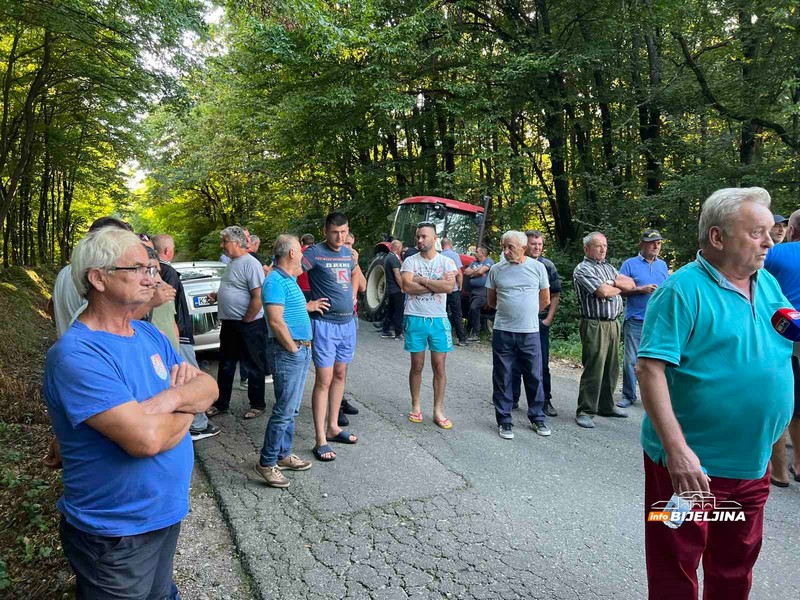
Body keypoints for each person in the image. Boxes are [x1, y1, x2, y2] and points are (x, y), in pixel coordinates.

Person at [44, 226, 218, 599]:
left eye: (152, 268)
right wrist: (187, 401)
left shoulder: (147, 334)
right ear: (98, 279)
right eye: (137, 269)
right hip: (114, 533)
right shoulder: (77, 354)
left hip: (162, 514)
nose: (150, 278)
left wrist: (169, 401)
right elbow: (146, 439)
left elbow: (209, 388)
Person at [636, 187, 792, 599]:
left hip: (751, 463)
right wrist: (678, 453)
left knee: (735, 565)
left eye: (771, 230)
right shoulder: (681, 291)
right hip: (690, 470)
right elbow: (649, 369)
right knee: (676, 564)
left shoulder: (769, 284)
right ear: (718, 238)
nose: (770, 241)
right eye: (757, 232)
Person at [255, 235, 328, 487]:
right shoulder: (275, 281)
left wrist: (308, 306)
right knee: (284, 410)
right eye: (299, 250)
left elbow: (289, 310)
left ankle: (283, 455)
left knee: (291, 408)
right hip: (289, 352)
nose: (303, 253)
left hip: (297, 349)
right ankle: (266, 462)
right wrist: (293, 349)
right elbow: (275, 321)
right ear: (292, 254)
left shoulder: (287, 279)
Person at [302, 213, 362, 461]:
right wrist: (307, 304)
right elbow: (284, 272)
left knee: (340, 375)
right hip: (324, 325)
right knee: (324, 380)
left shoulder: (349, 254)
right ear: (325, 231)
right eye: (336, 232)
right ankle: (320, 439)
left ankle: (333, 427)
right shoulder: (314, 253)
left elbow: (356, 273)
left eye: (344, 232)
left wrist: (354, 293)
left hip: (347, 324)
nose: (340, 237)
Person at [153, 234, 221, 441]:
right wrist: (181, 335)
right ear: (167, 251)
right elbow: (172, 310)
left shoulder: (162, 272)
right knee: (189, 378)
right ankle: (197, 425)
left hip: (173, 335)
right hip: (179, 335)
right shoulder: (168, 272)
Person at [486, 231, 551, 439]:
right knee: (502, 375)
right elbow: (492, 301)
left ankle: (537, 417)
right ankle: (504, 420)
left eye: (510, 247)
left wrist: (526, 314)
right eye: (504, 247)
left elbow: (545, 300)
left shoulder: (538, 268)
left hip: (529, 331)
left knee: (534, 374)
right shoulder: (496, 270)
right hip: (503, 330)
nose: (505, 251)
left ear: (523, 248)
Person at [572, 232, 635, 428]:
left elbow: (631, 284)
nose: (602, 249)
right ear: (587, 249)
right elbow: (602, 292)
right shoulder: (582, 269)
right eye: (598, 246)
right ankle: (585, 410)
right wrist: (615, 286)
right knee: (594, 368)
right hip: (594, 324)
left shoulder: (608, 268)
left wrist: (612, 283)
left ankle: (606, 406)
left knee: (611, 367)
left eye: (605, 246)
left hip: (613, 323)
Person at [207, 226, 269, 420]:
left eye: (225, 241)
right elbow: (236, 288)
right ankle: (221, 403)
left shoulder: (250, 263)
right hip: (231, 324)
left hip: (248, 325)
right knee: (226, 364)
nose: (222, 245)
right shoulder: (233, 262)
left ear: (236, 242)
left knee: (253, 365)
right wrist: (218, 296)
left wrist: (247, 319)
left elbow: (258, 296)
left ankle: (257, 404)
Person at [401, 222, 458, 428]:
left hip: (438, 319)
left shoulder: (447, 262)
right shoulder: (409, 261)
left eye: (424, 236)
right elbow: (407, 286)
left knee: (439, 366)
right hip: (415, 317)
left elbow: (449, 287)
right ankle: (416, 406)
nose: (420, 240)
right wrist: (436, 286)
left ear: (435, 238)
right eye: (418, 236)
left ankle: (438, 410)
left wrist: (422, 280)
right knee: (417, 365)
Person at [763, 208, 800, 487]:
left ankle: (780, 472)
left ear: (793, 230)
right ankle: (798, 463)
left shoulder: (778, 253)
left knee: (778, 399)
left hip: (783, 335)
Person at [51, 216, 132, 337]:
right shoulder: (99, 278)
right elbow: (104, 322)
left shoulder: (65, 272)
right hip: (89, 350)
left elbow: (51, 308)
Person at [616, 229, 669, 409]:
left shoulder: (662, 265)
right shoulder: (629, 264)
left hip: (658, 321)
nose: (656, 246)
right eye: (652, 242)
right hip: (636, 319)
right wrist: (640, 289)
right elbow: (619, 291)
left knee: (657, 360)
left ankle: (655, 397)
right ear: (642, 244)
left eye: (658, 243)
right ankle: (628, 395)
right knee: (631, 360)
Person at [511, 230, 562, 415]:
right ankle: (512, 398)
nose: (537, 248)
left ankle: (545, 401)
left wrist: (548, 319)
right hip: (517, 322)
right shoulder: (514, 264)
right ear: (525, 245)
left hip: (539, 323)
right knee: (515, 361)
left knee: (541, 363)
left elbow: (555, 295)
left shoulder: (547, 266)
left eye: (540, 244)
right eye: (534, 244)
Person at [440, 237, 467, 346]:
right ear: (450, 244)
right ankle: (461, 339)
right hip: (453, 289)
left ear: (442, 245)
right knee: (457, 314)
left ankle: (440, 336)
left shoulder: (438, 256)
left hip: (441, 288)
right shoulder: (454, 256)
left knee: (441, 313)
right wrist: (460, 286)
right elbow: (459, 273)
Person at [463, 245, 494, 341]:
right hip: (473, 291)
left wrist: (475, 273)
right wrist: (477, 272)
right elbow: (466, 272)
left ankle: (476, 333)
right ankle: (469, 331)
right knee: (470, 310)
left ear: (482, 253)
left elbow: (481, 271)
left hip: (483, 291)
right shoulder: (474, 262)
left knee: (474, 307)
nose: (475, 253)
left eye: (477, 251)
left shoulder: (489, 261)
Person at [381, 240, 405, 340]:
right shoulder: (393, 258)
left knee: (390, 311)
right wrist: (403, 287)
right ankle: (398, 333)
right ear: (398, 247)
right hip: (396, 289)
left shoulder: (388, 257)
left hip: (390, 289)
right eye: (401, 247)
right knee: (398, 311)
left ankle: (385, 331)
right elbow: (397, 274)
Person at [298, 233, 315, 301]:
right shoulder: (316, 253)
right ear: (313, 243)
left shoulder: (298, 253)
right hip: (314, 288)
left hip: (301, 288)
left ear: (302, 243)